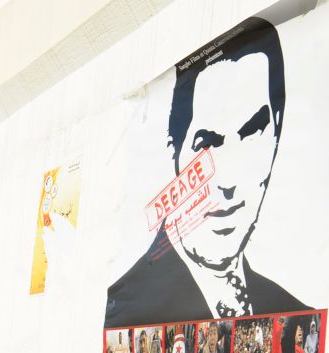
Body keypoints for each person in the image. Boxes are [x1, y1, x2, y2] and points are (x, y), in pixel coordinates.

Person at [105, 17, 308, 329]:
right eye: (206, 145)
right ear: (173, 152)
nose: (227, 183)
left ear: (277, 136)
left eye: (253, 132)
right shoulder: (130, 304)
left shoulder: (293, 314)